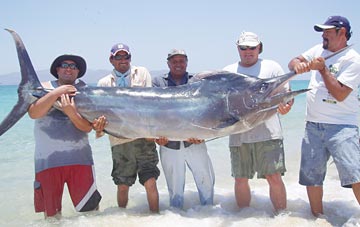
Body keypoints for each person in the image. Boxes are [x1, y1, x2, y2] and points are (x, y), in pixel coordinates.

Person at [288, 15, 360, 217]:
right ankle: (318, 218)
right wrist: (297, 66)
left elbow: (340, 93)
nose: (323, 35)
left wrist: (323, 69)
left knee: (355, 174)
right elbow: (293, 60)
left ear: (342, 32)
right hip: (312, 126)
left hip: (342, 127)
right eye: (322, 31)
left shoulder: (353, 60)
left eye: (328, 31)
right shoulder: (318, 49)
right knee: (312, 177)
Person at [223, 31, 293, 212]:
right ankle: (244, 218)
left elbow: (286, 96)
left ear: (259, 48)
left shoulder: (272, 67)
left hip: (268, 133)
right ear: (237, 48)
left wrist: (287, 106)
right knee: (240, 178)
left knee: (274, 176)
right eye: (243, 48)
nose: (248, 51)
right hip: (239, 135)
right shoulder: (228, 71)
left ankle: (282, 218)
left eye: (252, 47)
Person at [28, 54, 102, 218]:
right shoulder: (42, 88)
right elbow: (34, 113)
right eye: (65, 65)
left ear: (78, 72)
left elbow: (86, 128)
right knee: (52, 217)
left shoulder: (85, 91)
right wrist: (58, 92)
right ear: (57, 69)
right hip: (47, 163)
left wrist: (71, 112)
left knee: (91, 213)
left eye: (73, 66)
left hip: (80, 161)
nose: (69, 68)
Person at [95, 43, 160, 213]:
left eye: (126, 56)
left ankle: (157, 218)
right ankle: (121, 220)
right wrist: (99, 127)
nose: (123, 60)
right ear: (111, 59)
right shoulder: (103, 82)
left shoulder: (142, 73)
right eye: (118, 57)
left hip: (144, 138)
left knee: (150, 182)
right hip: (119, 141)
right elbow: (101, 114)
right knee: (122, 185)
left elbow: (149, 103)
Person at [152, 49, 215, 209]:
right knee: (175, 191)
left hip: (195, 142)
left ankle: (209, 217)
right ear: (168, 63)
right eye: (174, 61)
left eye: (181, 61)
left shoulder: (198, 81)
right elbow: (153, 112)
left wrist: (203, 134)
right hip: (168, 145)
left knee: (206, 182)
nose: (178, 64)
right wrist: (156, 136)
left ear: (187, 62)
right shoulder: (158, 82)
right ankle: (176, 220)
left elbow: (206, 109)